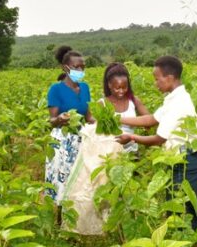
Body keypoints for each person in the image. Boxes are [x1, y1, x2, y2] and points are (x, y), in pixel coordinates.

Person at [115, 56, 197, 230]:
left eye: (157, 79)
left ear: (170, 78)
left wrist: (132, 138)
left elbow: (159, 139)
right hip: (177, 161)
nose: (156, 83)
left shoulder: (179, 103)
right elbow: (151, 119)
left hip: (187, 163)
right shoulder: (172, 98)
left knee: (187, 215)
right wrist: (118, 119)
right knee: (175, 212)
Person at [46, 45, 94, 206]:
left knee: (80, 177)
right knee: (62, 180)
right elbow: (51, 121)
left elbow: (89, 117)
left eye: (83, 67)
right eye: (76, 67)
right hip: (62, 140)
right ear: (65, 68)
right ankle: (59, 220)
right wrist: (59, 119)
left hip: (81, 138)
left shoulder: (85, 88)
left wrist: (105, 122)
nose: (80, 70)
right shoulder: (56, 89)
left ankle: (77, 219)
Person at [99, 63, 150, 152]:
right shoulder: (102, 103)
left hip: (132, 151)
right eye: (117, 88)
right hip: (109, 152)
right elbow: (95, 129)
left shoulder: (133, 101)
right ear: (109, 85)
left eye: (124, 87)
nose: (121, 91)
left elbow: (149, 120)